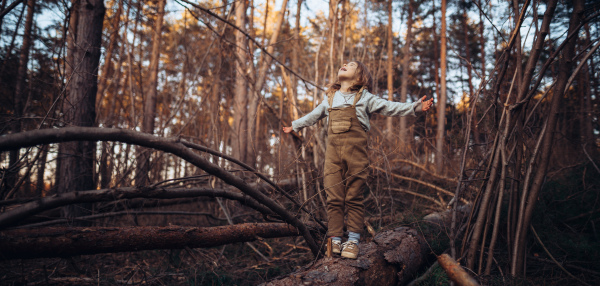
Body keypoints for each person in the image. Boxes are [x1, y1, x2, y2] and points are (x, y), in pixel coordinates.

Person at [283, 61, 433, 259]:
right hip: (333, 157)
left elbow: (389, 107)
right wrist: (295, 125)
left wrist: (415, 107)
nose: (344, 64)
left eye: (351, 64)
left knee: (354, 197)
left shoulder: (365, 98)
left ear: (360, 76)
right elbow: (313, 116)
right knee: (334, 197)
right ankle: (335, 239)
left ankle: (353, 240)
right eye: (344, 63)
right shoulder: (330, 98)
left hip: (356, 156)